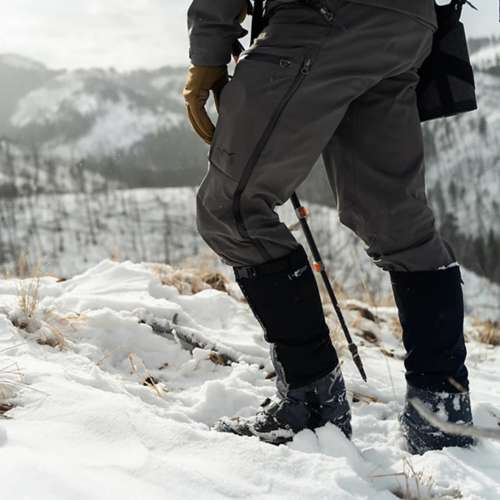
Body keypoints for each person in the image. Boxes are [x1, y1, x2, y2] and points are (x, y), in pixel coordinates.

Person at [183, 0, 474, 454]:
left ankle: (313, 405)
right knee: (397, 222)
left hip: (323, 16)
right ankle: (442, 411)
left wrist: (208, 51)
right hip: (408, 25)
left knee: (232, 209)